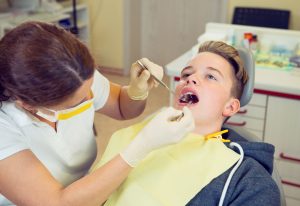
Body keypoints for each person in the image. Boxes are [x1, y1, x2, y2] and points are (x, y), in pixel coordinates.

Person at [0, 21, 195, 205]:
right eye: (78, 102)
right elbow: (56, 202)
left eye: (91, 88)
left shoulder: (76, 73)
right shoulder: (4, 128)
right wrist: (141, 146)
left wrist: (136, 91)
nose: (90, 99)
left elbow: (121, 106)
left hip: (81, 190)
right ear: (27, 105)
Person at [93, 41, 280, 206]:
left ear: (230, 106)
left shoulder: (248, 180)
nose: (190, 79)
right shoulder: (139, 135)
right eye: (186, 74)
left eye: (211, 76)